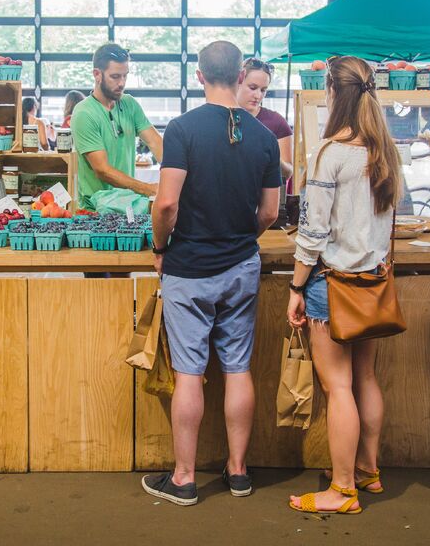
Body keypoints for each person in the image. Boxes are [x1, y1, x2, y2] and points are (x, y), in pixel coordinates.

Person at [141, 41, 281, 507]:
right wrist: (243, 234)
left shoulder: (181, 129)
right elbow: (270, 212)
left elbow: (165, 203)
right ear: (241, 75)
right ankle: (238, 472)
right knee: (238, 368)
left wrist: (160, 246)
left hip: (189, 269)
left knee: (189, 374)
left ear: (199, 76)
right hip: (242, 266)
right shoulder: (262, 137)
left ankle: (184, 478)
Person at [285, 56, 401, 515]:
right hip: (373, 281)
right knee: (365, 377)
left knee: (338, 388)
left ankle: (343, 489)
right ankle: (368, 470)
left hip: (331, 285)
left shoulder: (332, 152)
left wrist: (296, 287)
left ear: (332, 93)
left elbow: (312, 233)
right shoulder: (383, 149)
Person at [71, 44, 163, 208]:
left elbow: (155, 142)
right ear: (97, 74)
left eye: (125, 76)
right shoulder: (84, 113)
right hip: (96, 212)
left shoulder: (129, 104)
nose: (122, 83)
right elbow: (102, 170)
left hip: (128, 205)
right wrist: (147, 189)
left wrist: (176, 173)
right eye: (115, 76)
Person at [238, 58, 294, 188]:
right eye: (252, 88)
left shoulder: (277, 122)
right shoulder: (222, 118)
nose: (258, 96)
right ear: (238, 82)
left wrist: (271, 154)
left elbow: (288, 173)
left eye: (263, 90)